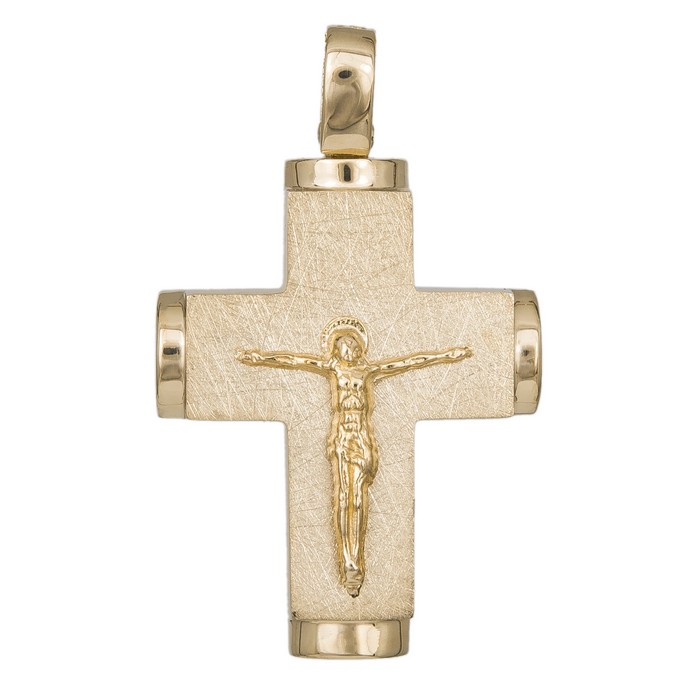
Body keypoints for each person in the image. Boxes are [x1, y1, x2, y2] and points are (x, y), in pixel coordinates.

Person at [238, 317, 472, 597]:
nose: (347, 347)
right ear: (335, 349)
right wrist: (260, 358)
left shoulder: (368, 370)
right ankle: (349, 562)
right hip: (342, 438)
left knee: (358, 499)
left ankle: (357, 559)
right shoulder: (332, 368)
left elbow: (408, 362)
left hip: (361, 437)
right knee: (343, 498)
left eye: (351, 343)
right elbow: (293, 360)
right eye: (342, 343)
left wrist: (447, 355)